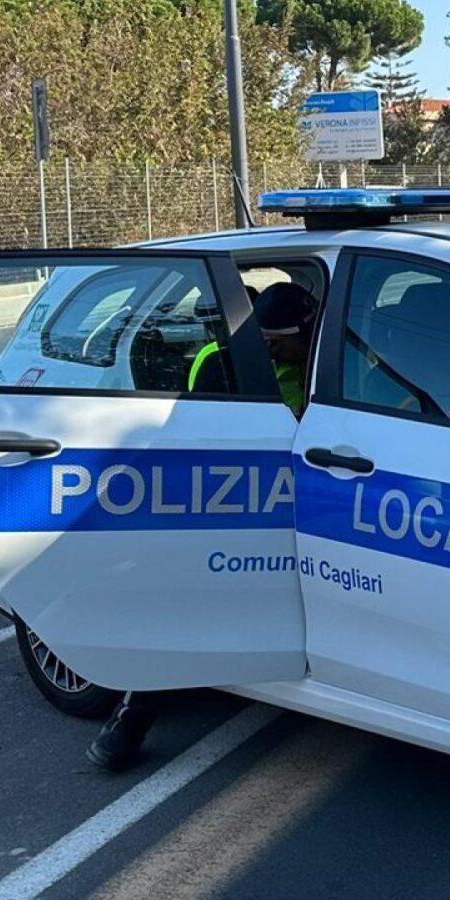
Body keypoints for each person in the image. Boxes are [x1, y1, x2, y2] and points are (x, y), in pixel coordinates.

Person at [89, 277, 320, 774]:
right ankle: (132, 715)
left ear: (306, 331)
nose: (269, 348)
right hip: (244, 501)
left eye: (280, 342)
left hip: (316, 500)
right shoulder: (222, 362)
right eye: (265, 340)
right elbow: (204, 438)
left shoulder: (333, 361)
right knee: (180, 596)